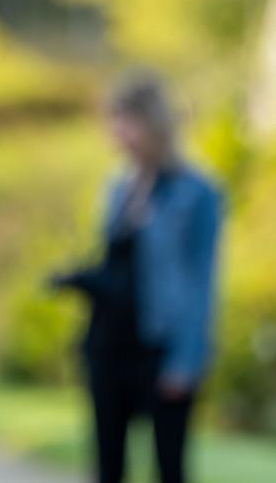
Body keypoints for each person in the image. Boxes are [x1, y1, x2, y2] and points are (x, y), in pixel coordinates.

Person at [53, 74, 222, 483]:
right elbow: (115, 267)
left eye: (125, 122)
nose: (118, 135)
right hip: (109, 346)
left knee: (169, 465)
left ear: (152, 124)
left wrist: (188, 359)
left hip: (159, 346)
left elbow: (200, 280)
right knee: (108, 465)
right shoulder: (119, 188)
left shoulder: (196, 192)